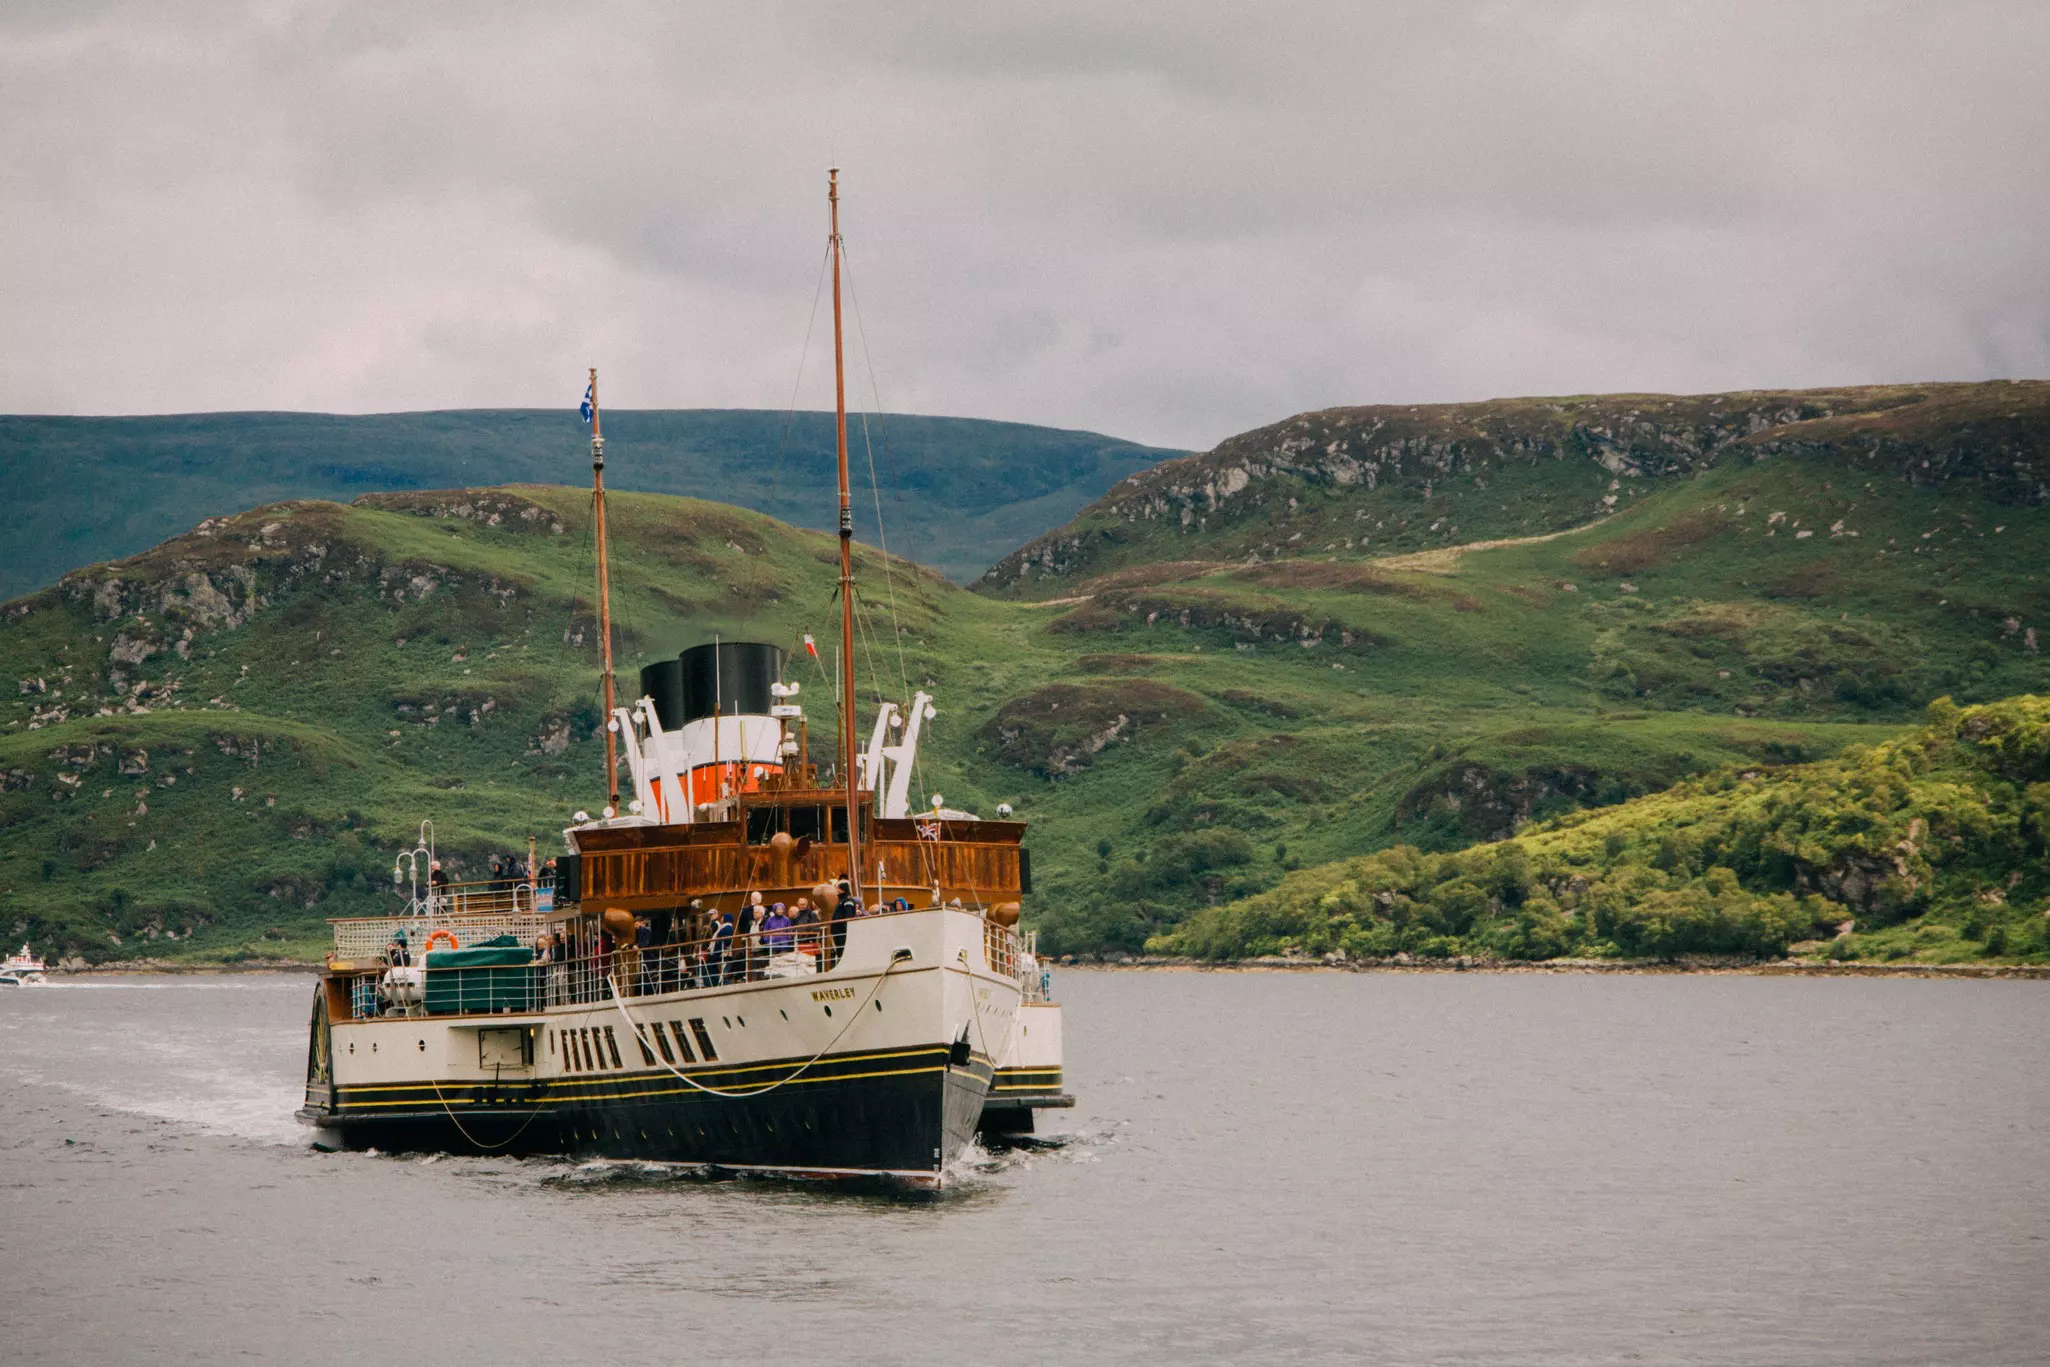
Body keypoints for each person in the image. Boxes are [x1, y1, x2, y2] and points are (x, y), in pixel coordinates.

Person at [710, 908, 736, 984]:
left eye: (723, 917)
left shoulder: (727, 927)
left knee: (723, 974)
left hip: (724, 954)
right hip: (721, 954)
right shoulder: (725, 927)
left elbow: (726, 941)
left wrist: (717, 951)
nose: (721, 919)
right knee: (722, 973)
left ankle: (725, 985)